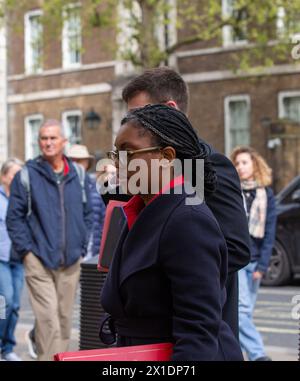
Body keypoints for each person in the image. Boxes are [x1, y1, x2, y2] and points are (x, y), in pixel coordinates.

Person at [103, 67, 251, 338]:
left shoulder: (208, 165)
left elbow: (236, 247)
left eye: (140, 113)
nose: (131, 121)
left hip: (189, 328)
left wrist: (168, 271)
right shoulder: (139, 169)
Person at [6, 120, 93, 361]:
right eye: (44, 138)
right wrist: (26, 252)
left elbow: (87, 213)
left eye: (53, 138)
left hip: (71, 260)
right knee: (49, 321)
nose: (48, 142)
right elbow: (15, 218)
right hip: (38, 260)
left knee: (64, 321)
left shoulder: (78, 173)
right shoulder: (27, 175)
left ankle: (55, 357)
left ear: (64, 142)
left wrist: (82, 243)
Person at [231, 146, 277, 361]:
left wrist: (263, 265)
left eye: (244, 163)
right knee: (240, 311)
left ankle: (238, 353)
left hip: (257, 260)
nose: (240, 167)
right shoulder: (231, 190)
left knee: (244, 314)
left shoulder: (265, 194)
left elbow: (269, 232)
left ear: (255, 164)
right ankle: (259, 355)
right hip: (239, 259)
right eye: (237, 163)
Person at [0, 158, 24, 361]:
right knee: (4, 301)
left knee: (15, 305)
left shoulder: (22, 198)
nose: (17, 178)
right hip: (1, 259)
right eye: (13, 174)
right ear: (4, 176)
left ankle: (7, 348)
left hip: (19, 259)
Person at [67, 144, 106, 260]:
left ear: (87, 164)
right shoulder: (59, 188)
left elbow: (103, 222)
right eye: (72, 161)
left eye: (79, 161)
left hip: (92, 251)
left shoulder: (97, 188)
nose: (75, 165)